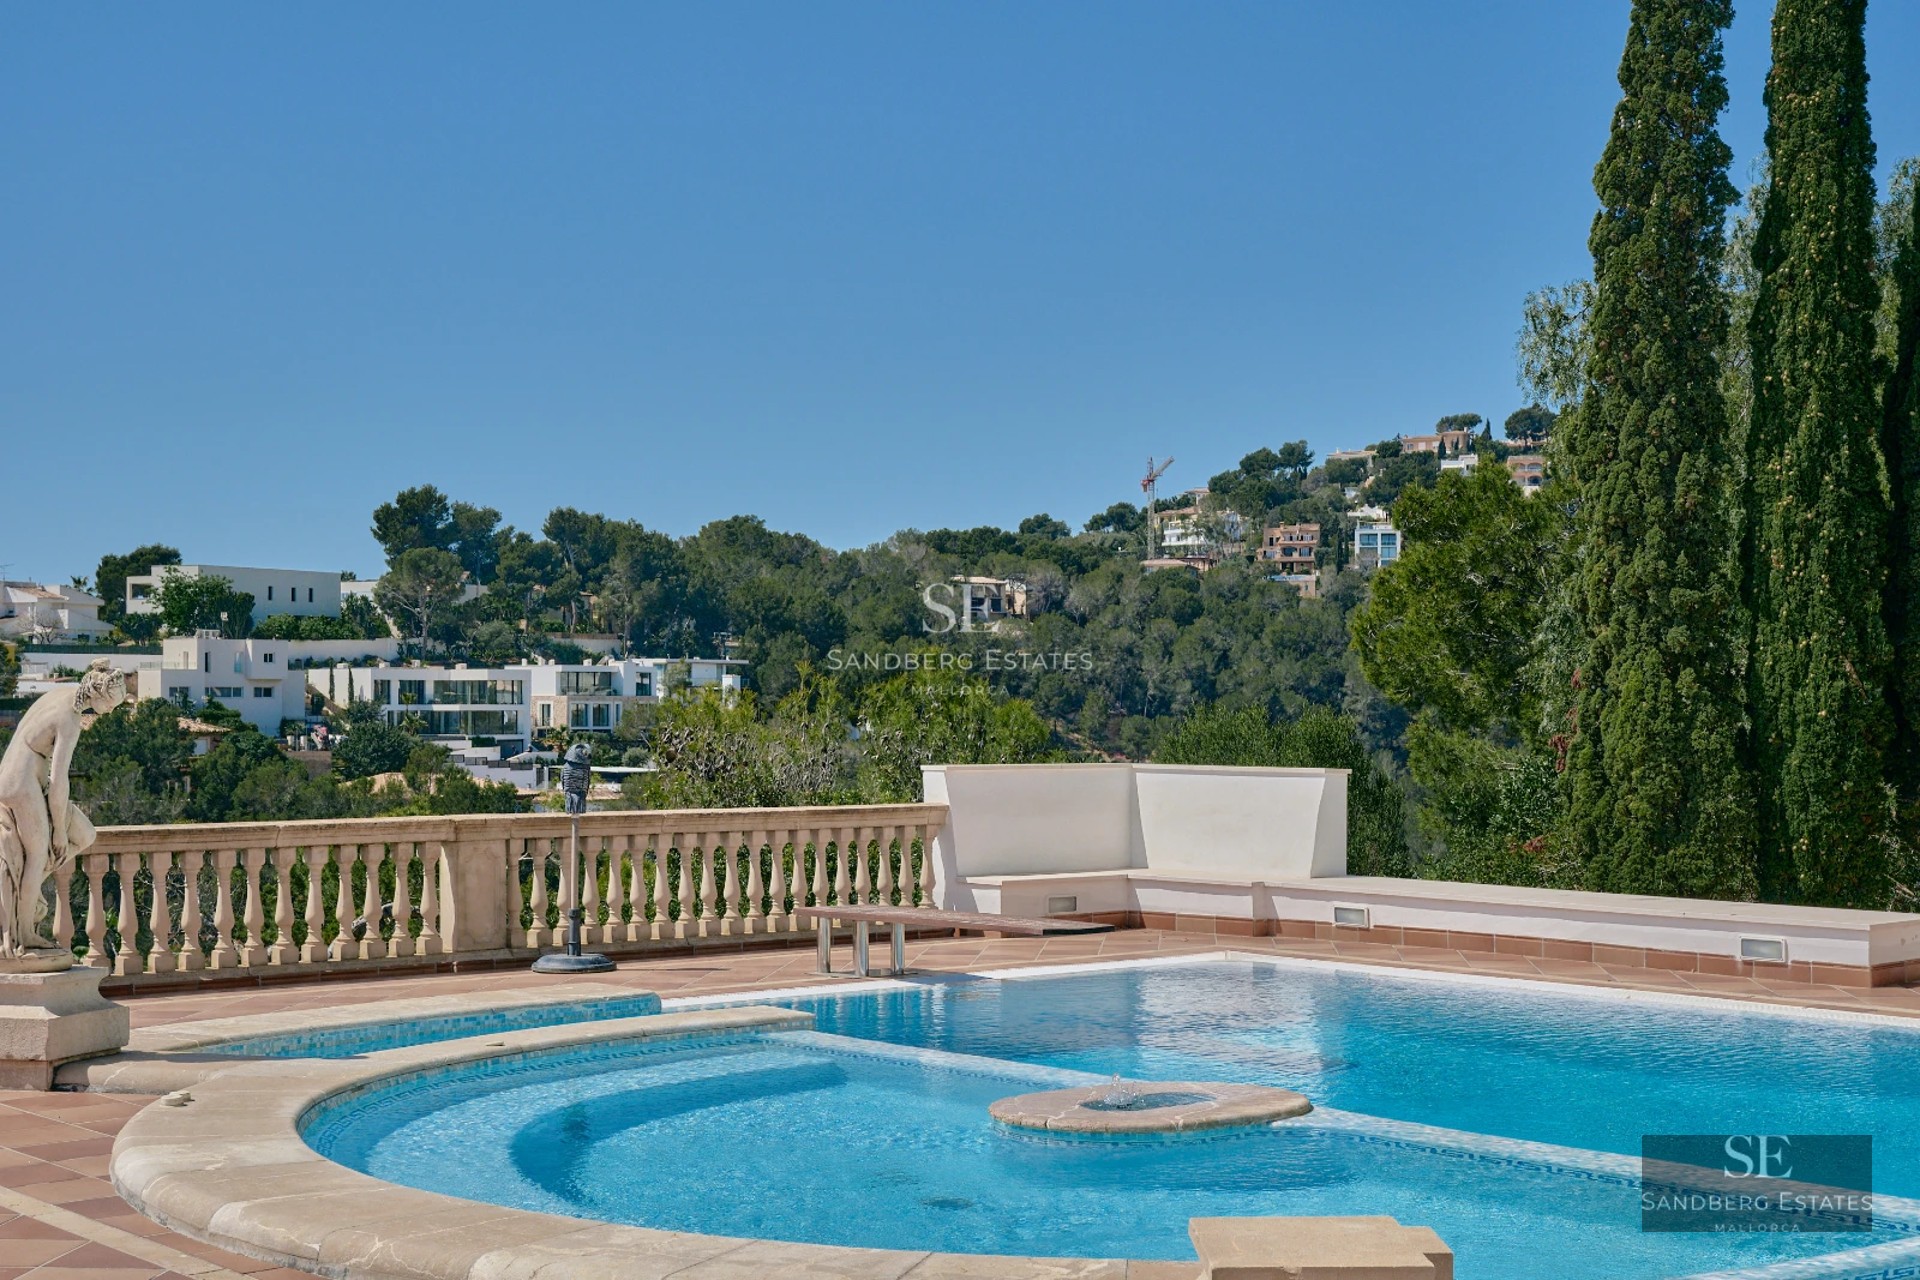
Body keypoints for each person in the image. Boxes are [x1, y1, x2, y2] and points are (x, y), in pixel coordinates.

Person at [0, 660, 128, 959]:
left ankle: (25, 896)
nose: (110, 711)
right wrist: (58, 829)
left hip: (18, 776)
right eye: (110, 703)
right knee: (37, 854)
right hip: (21, 782)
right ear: (96, 693)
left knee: (84, 835)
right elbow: (59, 783)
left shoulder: (60, 694)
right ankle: (25, 934)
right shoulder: (70, 720)